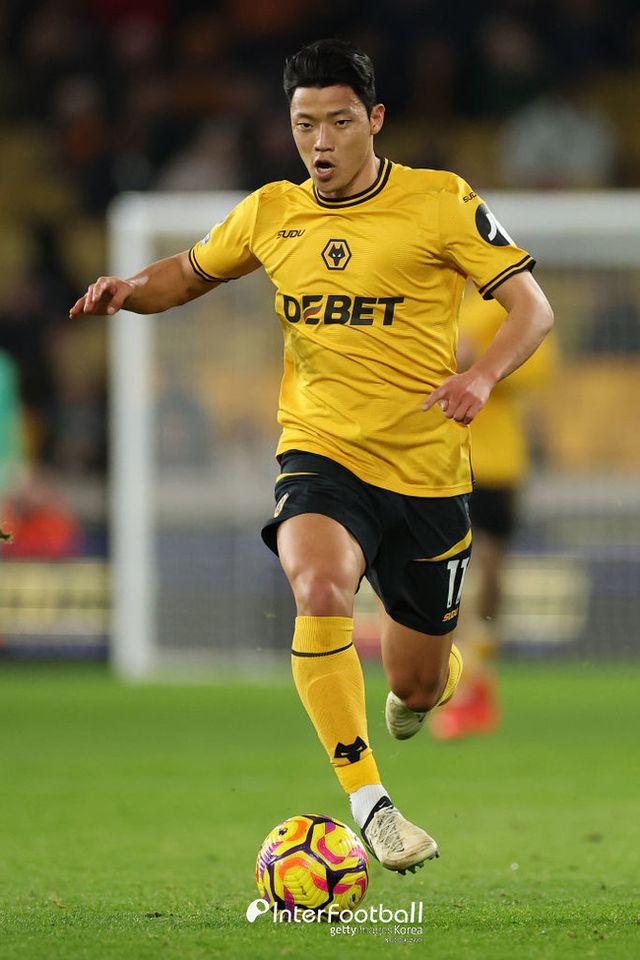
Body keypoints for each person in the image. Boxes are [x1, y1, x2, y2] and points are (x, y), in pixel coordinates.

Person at [70, 39, 554, 874]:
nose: (320, 142)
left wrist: (481, 376)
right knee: (319, 586)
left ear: (375, 120)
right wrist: (130, 289)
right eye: (304, 125)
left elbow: (532, 308)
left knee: (415, 685)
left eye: (338, 122)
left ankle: (434, 678)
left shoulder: (441, 202)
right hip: (320, 451)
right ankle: (372, 805)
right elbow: (188, 272)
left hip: (427, 473)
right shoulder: (272, 212)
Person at [430, 286, 557, 741]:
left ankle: (479, 672)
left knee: (490, 573)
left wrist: (482, 364)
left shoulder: (506, 302)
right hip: (442, 459)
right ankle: (461, 683)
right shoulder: (431, 298)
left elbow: (538, 367)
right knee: (455, 571)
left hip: (498, 461)